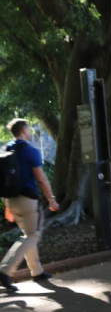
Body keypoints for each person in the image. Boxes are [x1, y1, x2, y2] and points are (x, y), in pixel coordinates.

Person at [1, 119, 59, 292]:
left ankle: (37, 271)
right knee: (32, 235)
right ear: (24, 130)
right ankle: (5, 270)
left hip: (12, 200)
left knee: (28, 234)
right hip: (27, 200)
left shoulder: (6, 150)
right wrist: (51, 199)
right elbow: (41, 178)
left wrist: (7, 206)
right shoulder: (30, 151)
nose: (29, 131)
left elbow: (4, 180)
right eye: (28, 128)